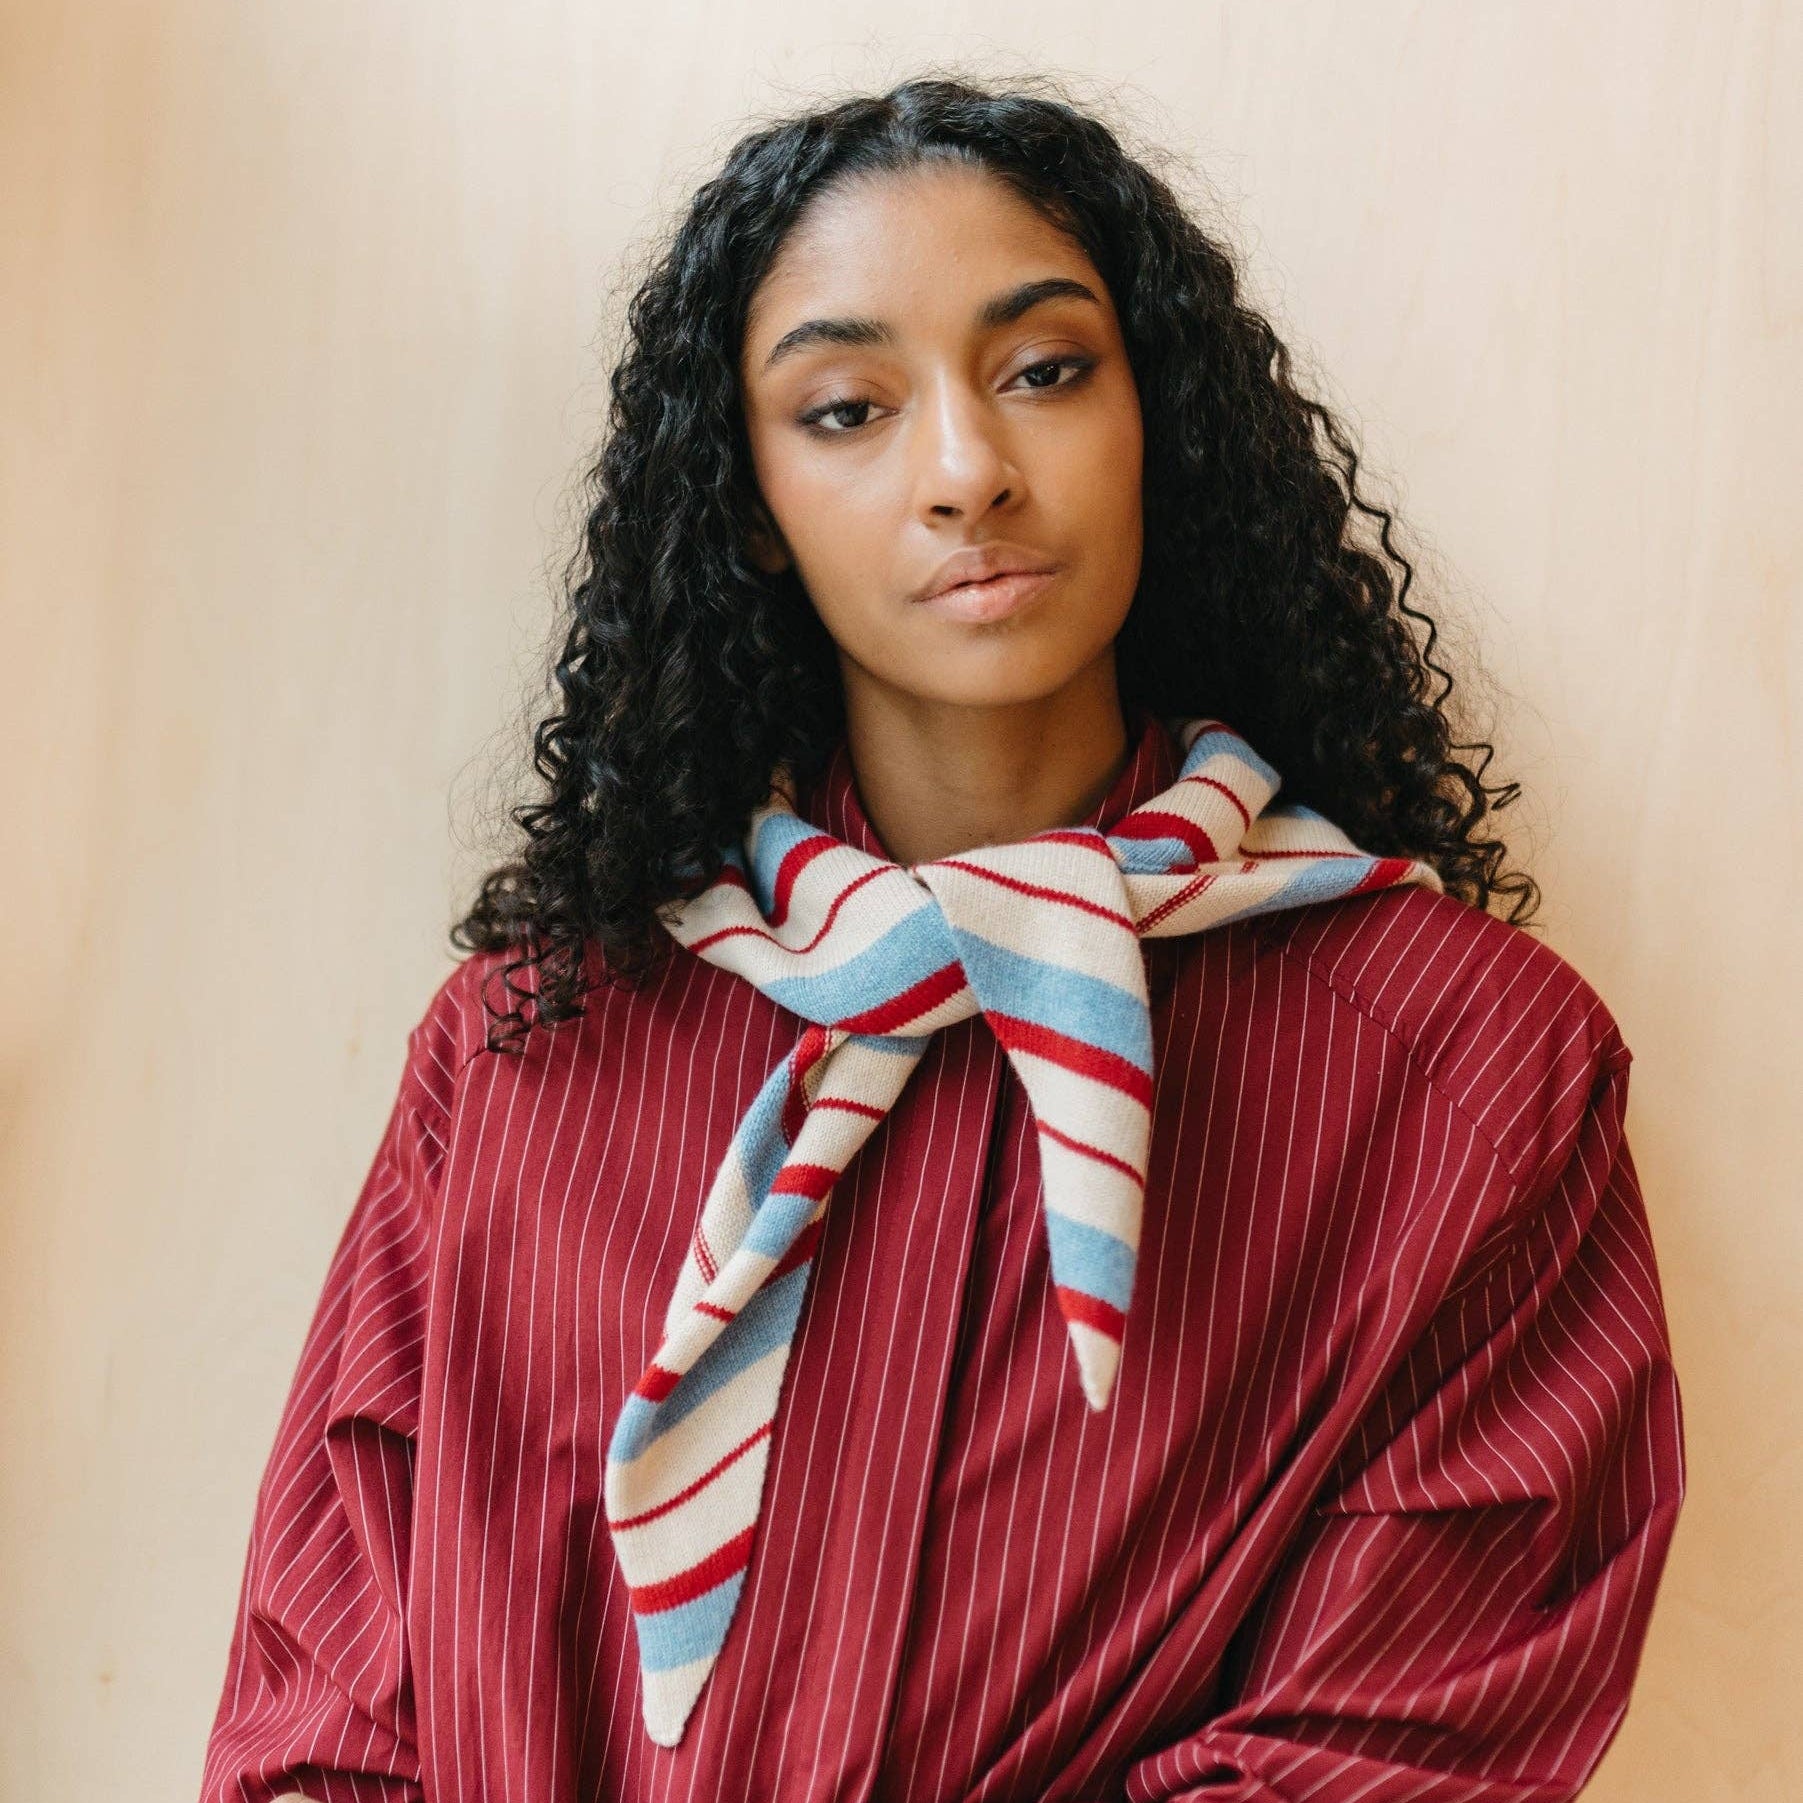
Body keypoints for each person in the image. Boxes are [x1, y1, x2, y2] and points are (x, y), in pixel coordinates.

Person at [198, 73, 1684, 1803]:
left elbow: (1406, 1734)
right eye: (846, 410)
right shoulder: (526, 1047)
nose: (970, 473)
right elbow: (326, 1706)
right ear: (747, 504)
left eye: (1045, 371)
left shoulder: (1470, 1078)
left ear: (1160, 420)